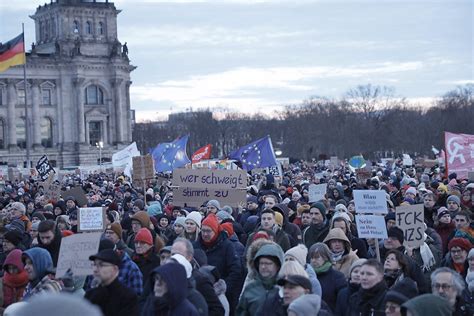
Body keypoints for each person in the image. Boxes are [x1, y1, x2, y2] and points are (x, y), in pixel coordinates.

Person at [194, 213, 242, 312]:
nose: (205, 234)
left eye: (208, 231)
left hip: (220, 294)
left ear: (215, 231)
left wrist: (224, 287)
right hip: (198, 291)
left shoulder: (227, 246)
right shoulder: (196, 246)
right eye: (203, 231)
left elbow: (236, 269)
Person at [171, 238, 225, 316]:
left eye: (179, 255)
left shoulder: (200, 280)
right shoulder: (168, 278)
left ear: (189, 257)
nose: (175, 258)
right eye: (173, 255)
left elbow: (218, 309)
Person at [85, 249, 138, 316]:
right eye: (94, 265)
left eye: (101, 265)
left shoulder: (127, 297)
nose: (95, 269)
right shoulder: (90, 294)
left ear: (115, 269)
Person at [237, 243, 284, 316]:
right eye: (261, 263)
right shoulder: (250, 288)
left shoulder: (285, 288)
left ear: (278, 265)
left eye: (268, 263)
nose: (263, 267)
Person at [308, 242, 346, 312]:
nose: (313, 260)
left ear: (326, 257)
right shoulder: (307, 276)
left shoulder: (337, 277)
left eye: (317, 257)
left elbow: (342, 303)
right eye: (311, 257)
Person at [132, 228, 160, 295]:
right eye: (136, 242)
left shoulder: (156, 262)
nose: (138, 245)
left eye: (142, 243)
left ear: (150, 245)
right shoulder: (132, 258)